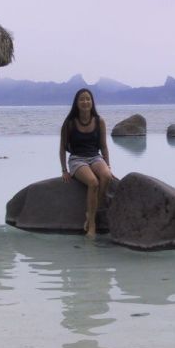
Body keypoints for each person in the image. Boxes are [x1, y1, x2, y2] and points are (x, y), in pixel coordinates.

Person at [59, 88, 112, 237]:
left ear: (92, 102)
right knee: (93, 183)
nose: (85, 102)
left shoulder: (99, 121)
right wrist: (64, 170)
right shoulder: (69, 123)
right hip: (77, 159)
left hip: (95, 157)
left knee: (107, 176)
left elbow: (103, 146)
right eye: (81, 99)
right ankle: (92, 225)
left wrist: (108, 165)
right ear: (76, 103)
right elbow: (62, 148)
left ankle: (91, 214)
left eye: (88, 99)